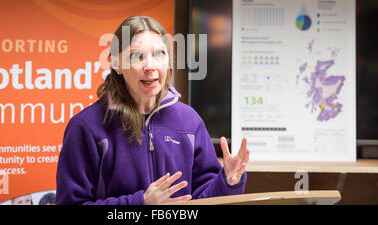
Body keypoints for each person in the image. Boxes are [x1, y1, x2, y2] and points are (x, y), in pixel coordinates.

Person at [56, 15, 250, 205]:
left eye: (159, 54)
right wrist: (141, 203)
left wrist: (228, 182)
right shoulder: (86, 127)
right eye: (136, 56)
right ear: (116, 64)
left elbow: (203, 199)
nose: (150, 66)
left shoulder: (189, 121)